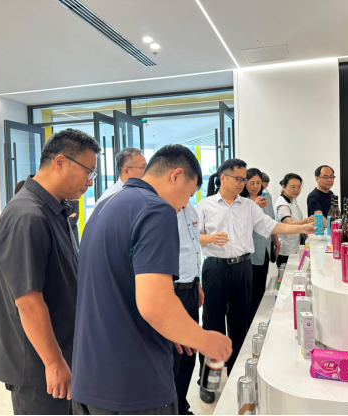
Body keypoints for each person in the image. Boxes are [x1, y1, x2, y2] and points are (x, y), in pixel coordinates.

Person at [71, 144, 232, 415]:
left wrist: (173, 327)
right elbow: (155, 305)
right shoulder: (156, 209)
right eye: (188, 194)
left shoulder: (106, 204)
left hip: (90, 377)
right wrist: (206, 340)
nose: (184, 205)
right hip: (133, 384)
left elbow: (119, 285)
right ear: (176, 176)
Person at [0, 128, 101, 415]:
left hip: (62, 351)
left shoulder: (55, 210)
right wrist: (53, 362)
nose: (90, 181)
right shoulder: (27, 216)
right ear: (60, 162)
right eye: (88, 171)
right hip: (39, 366)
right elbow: (28, 301)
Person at [197, 159, 315, 403]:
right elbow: (192, 237)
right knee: (213, 326)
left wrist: (302, 228)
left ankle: (238, 374)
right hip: (215, 269)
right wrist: (209, 239)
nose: (242, 183)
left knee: (240, 323)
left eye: (244, 179)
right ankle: (209, 381)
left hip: (243, 267)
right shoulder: (205, 205)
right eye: (238, 179)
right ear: (223, 178)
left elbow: (272, 226)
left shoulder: (249, 207)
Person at [172, 202, 204, 416]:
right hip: (173, 291)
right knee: (174, 356)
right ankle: (172, 409)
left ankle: (182, 406)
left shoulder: (190, 209)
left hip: (191, 287)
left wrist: (198, 283)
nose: (191, 194)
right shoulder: (164, 211)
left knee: (189, 354)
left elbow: (194, 248)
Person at [240, 168, 279, 328]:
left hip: (264, 249)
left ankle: (257, 323)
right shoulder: (241, 201)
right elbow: (241, 227)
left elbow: (271, 222)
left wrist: (276, 242)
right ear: (245, 184)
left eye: (258, 183)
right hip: (249, 251)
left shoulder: (266, 197)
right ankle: (248, 324)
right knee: (249, 291)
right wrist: (253, 206)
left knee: (260, 289)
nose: (256, 186)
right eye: (252, 183)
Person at [274, 174, 315, 267]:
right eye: (293, 187)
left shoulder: (292, 200)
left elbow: (296, 219)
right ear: (283, 187)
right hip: (286, 248)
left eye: (299, 187)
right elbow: (289, 224)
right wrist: (307, 221)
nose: (296, 190)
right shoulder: (282, 204)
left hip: (295, 245)